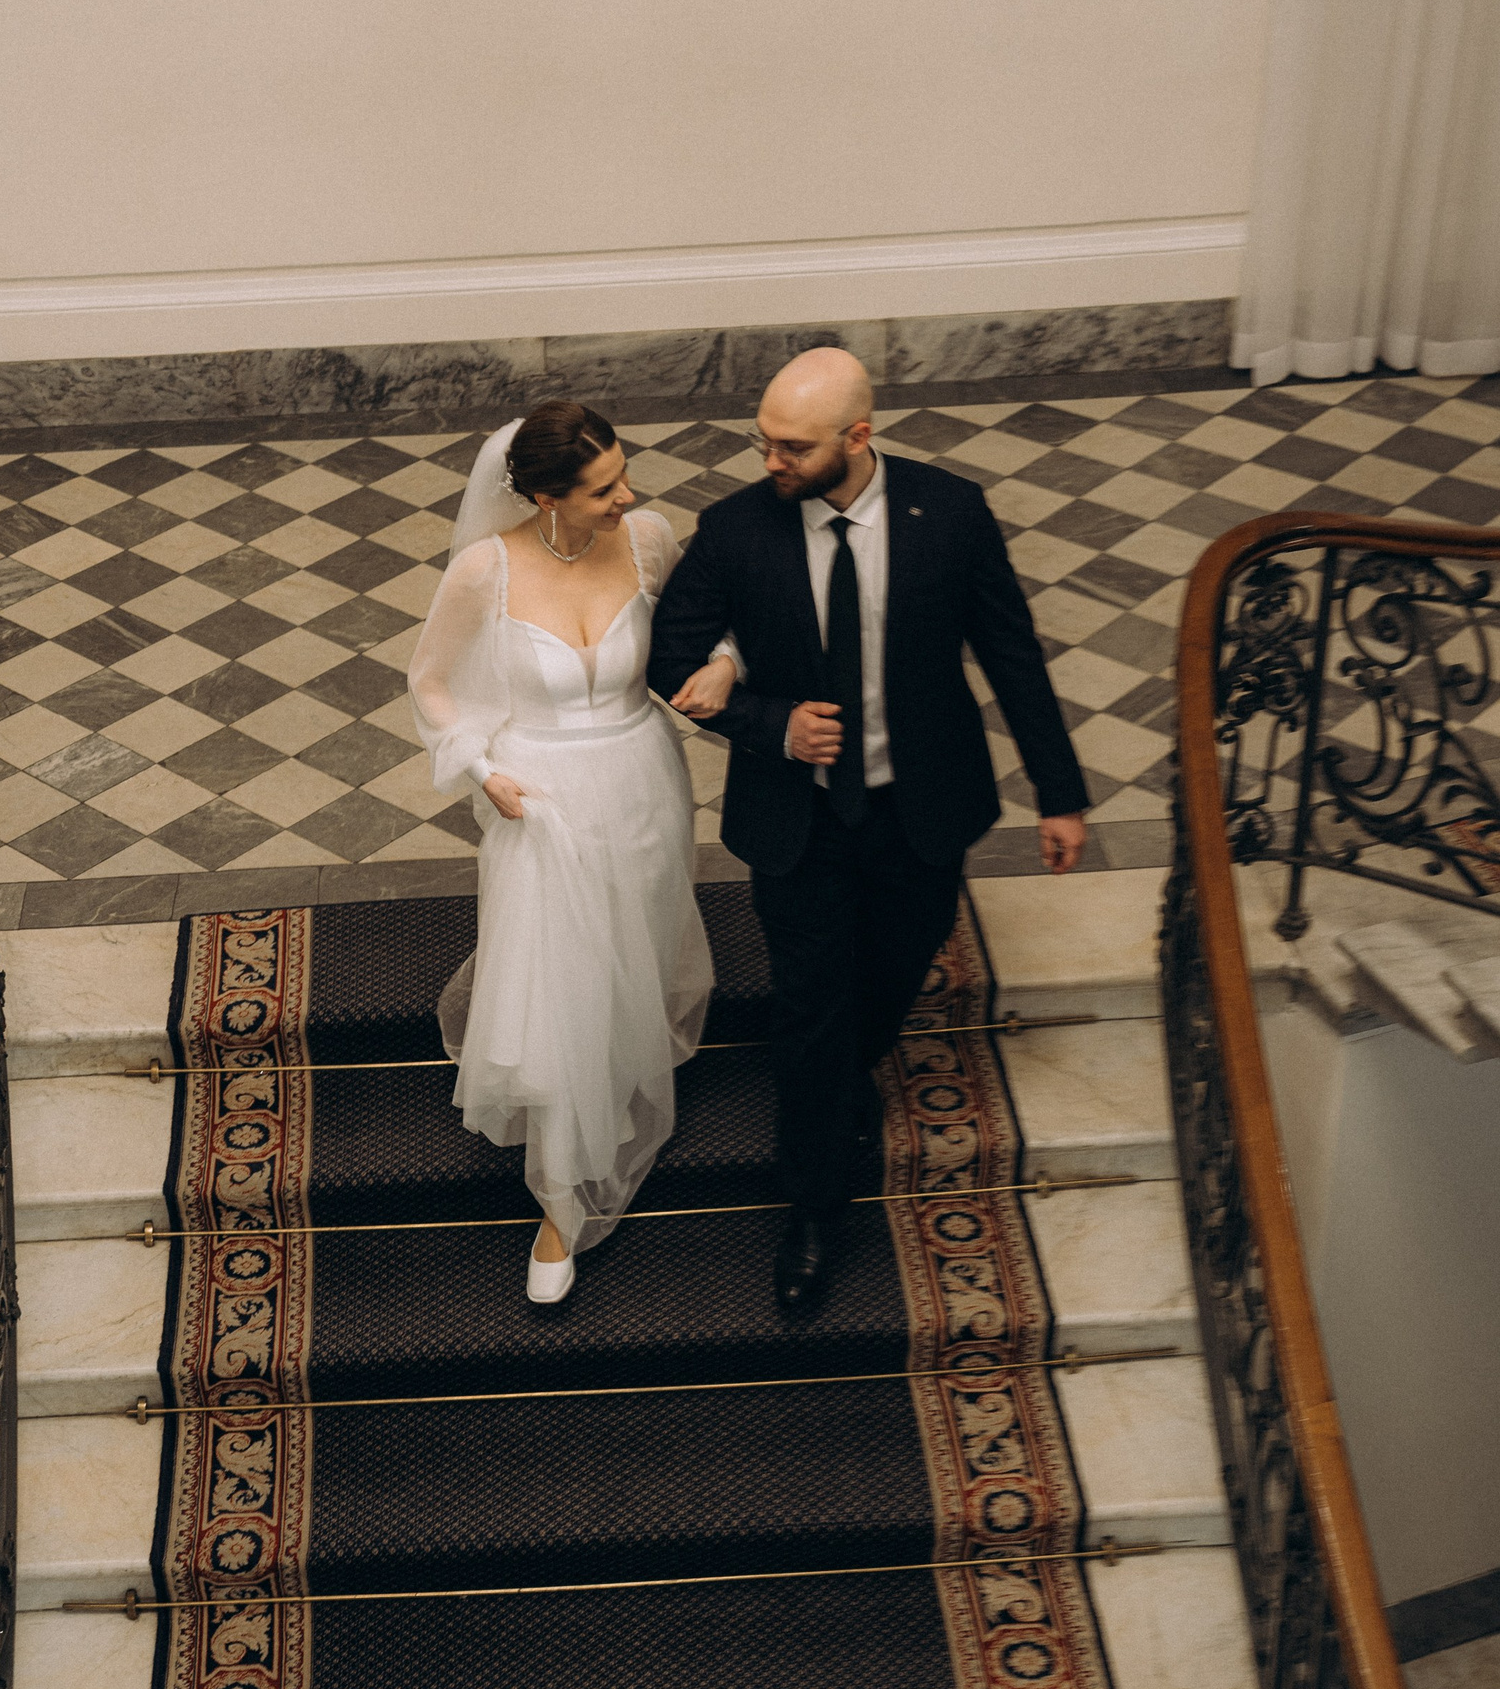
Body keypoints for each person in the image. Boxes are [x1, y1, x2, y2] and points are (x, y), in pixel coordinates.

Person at [648, 347, 1089, 1318]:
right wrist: (772, 724)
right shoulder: (736, 529)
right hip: (799, 820)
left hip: (921, 809)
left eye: (794, 447)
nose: (772, 461)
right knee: (810, 1008)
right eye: (764, 441)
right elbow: (669, 656)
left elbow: (1010, 652)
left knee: (887, 982)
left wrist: (1060, 795)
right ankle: (813, 1212)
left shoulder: (951, 513)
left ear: (858, 436)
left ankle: (846, 1078)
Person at [410, 403, 738, 1308]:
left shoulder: (648, 539)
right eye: (602, 490)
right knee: (561, 981)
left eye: (623, 474)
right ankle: (561, 1202)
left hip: (642, 783)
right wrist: (482, 769)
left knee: (632, 945)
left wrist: (723, 660)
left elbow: (706, 625)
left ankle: (620, 1065)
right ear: (546, 498)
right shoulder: (486, 571)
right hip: (540, 800)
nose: (626, 496)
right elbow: (429, 682)